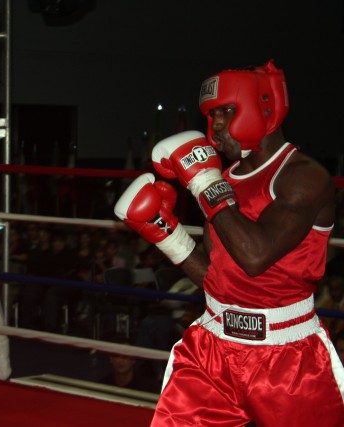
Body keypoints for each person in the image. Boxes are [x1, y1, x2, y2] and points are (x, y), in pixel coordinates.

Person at [115, 60, 344, 426]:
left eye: (226, 111)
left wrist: (204, 183)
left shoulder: (303, 178)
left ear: (263, 109)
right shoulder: (224, 179)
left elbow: (255, 256)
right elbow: (219, 278)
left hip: (287, 358)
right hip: (213, 346)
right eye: (210, 114)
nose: (215, 124)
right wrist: (167, 234)